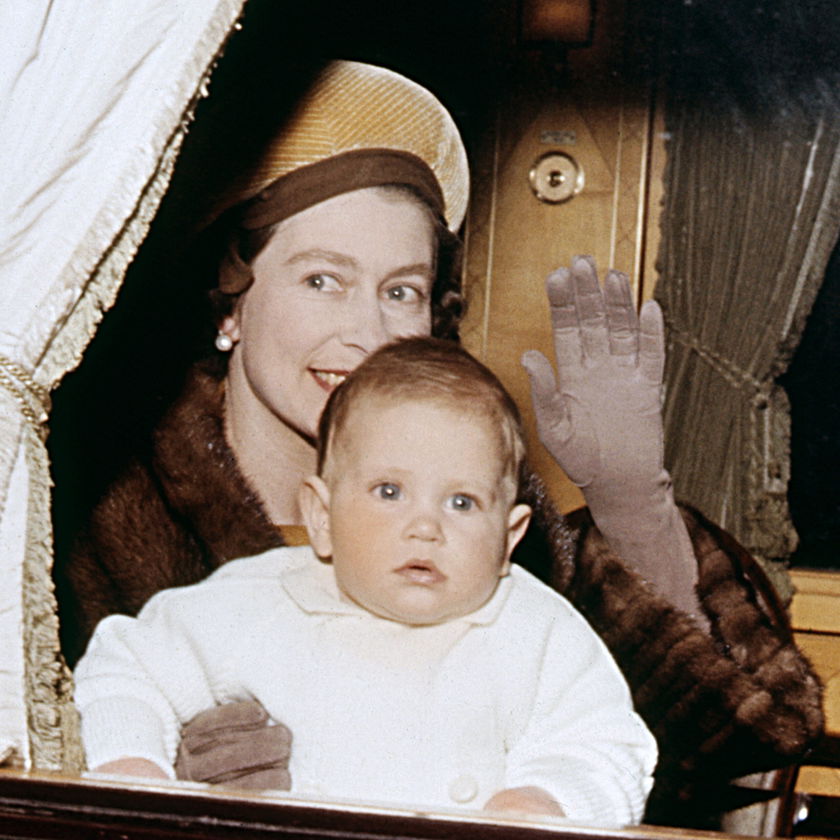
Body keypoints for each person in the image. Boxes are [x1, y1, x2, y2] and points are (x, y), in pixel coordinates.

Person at [54, 59, 823, 829]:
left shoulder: (489, 527)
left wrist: (634, 501)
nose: (366, 331)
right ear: (229, 306)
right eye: (322, 280)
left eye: (401, 291)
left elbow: (710, 743)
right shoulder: (91, 527)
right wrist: (162, 781)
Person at [74, 337, 658, 826]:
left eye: (462, 501)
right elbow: (130, 666)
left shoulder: (538, 632)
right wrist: (132, 768)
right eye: (389, 492)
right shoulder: (259, 601)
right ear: (322, 518)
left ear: (509, 539)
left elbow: (604, 744)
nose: (425, 526)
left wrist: (542, 801)